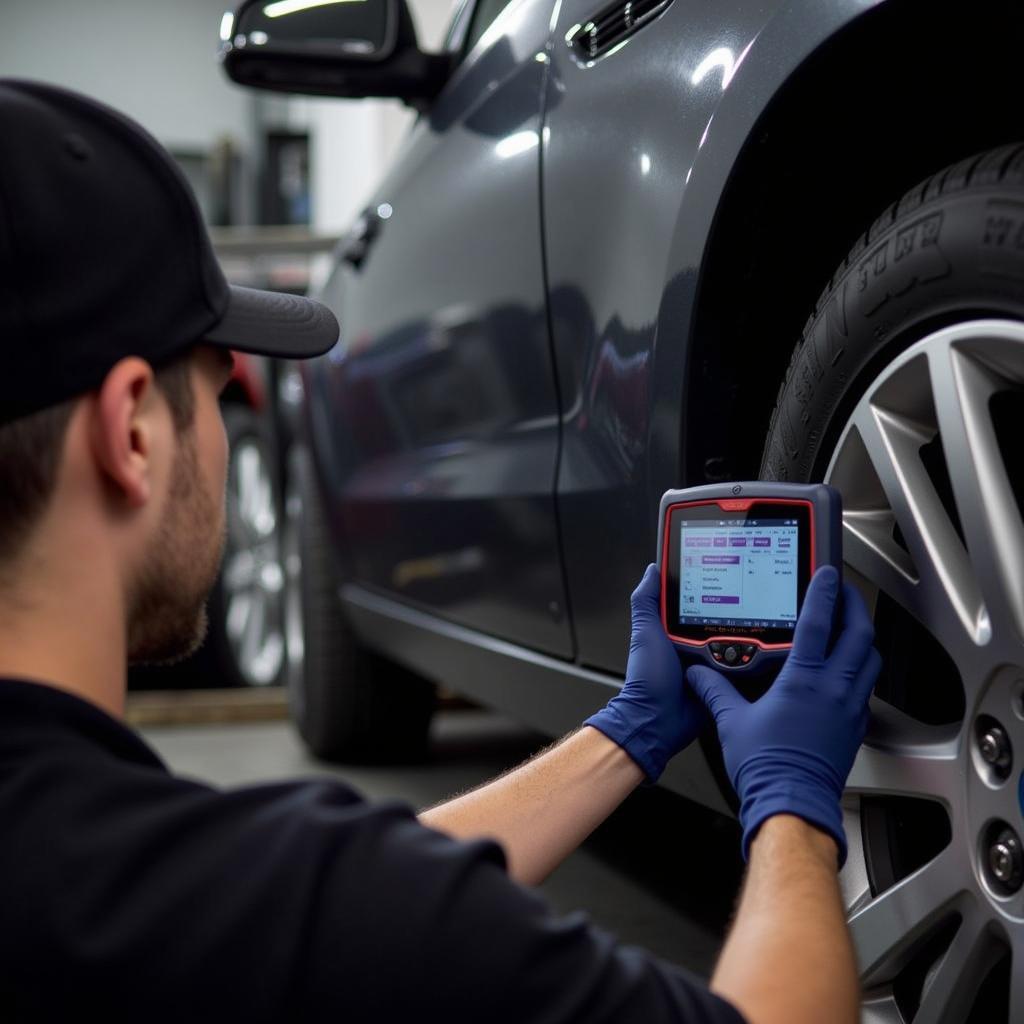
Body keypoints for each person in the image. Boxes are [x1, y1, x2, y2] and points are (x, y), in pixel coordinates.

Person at [0, 79, 881, 1024]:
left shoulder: (129, 894)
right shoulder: (223, 904)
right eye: (214, 392)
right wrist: (794, 813)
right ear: (132, 433)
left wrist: (625, 733)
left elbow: (321, 917)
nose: (222, 442)